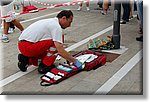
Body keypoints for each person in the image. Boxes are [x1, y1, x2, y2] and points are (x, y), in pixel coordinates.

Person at [18, 10, 82, 74]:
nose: (69, 25)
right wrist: (74, 61)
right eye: (69, 22)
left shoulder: (49, 21)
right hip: (28, 47)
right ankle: (45, 65)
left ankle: (26, 60)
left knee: (48, 48)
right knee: (57, 42)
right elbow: (60, 50)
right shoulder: (56, 26)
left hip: (22, 45)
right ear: (64, 18)